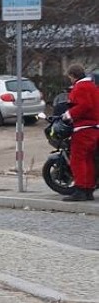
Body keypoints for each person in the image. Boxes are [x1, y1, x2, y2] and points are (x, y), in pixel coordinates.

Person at [60, 64, 99, 201]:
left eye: (69, 77)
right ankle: (88, 189)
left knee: (78, 159)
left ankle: (81, 189)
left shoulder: (80, 87)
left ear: (72, 75)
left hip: (84, 127)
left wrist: (69, 114)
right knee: (88, 159)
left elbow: (84, 105)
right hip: (94, 127)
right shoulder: (92, 86)